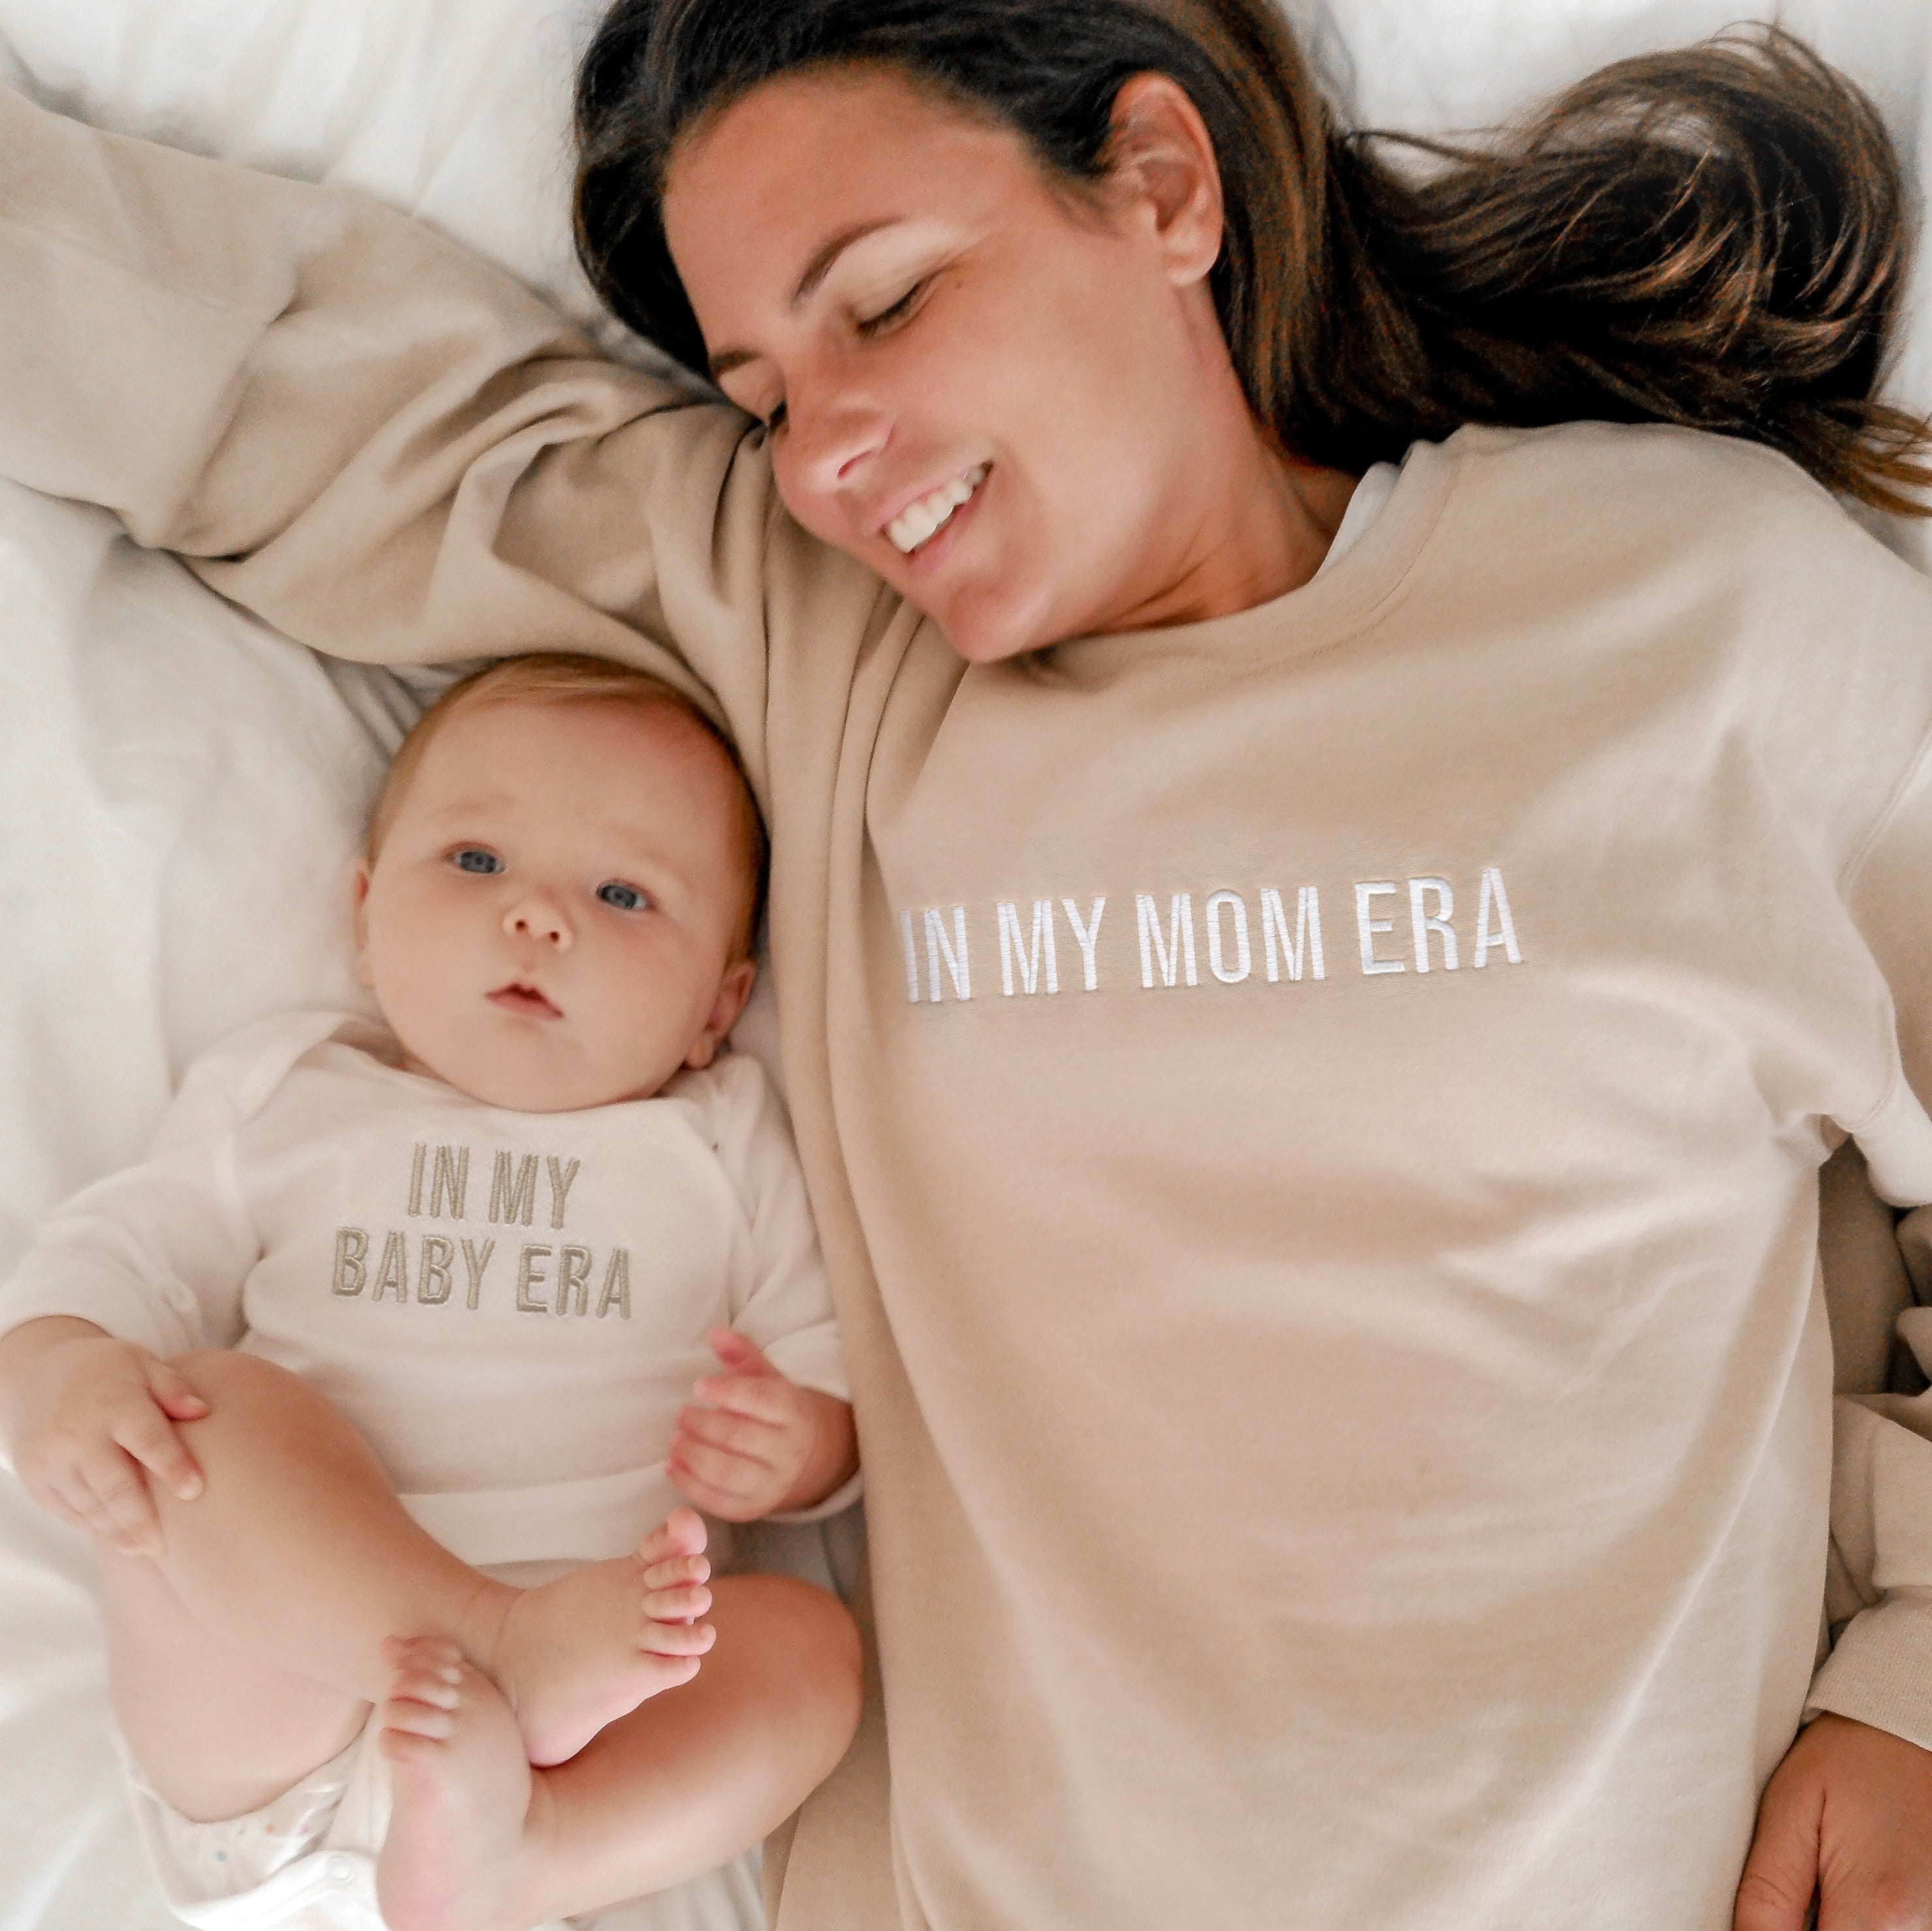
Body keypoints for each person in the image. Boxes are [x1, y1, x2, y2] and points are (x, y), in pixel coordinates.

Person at [3, 2, 1932, 1925]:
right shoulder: (839, 661)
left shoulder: (1701, 614)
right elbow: (309, 404)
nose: (826, 454)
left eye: (889, 303)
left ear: (1161, 186)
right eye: (761, 395)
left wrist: (1912, 1690)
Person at [0, 654, 864, 1931]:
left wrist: (799, 1449)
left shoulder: (726, 1146)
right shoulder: (290, 1098)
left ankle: (532, 1862)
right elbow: (117, 1257)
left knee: (808, 1649)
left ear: (719, 1008)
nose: (538, 917)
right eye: (474, 862)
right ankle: (496, 1639)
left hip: (577, 1754)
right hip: (285, 1709)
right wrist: (62, 1368)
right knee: (208, 1414)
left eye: (623, 894)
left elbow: (829, 1360)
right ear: (361, 917)